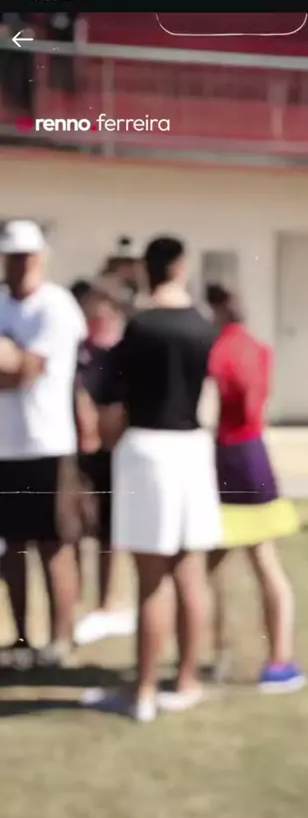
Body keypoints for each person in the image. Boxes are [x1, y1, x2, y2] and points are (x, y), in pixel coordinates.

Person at [81, 237, 221, 722]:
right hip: (192, 447)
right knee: (190, 572)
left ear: (148, 268)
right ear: (181, 267)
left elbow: (109, 399)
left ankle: (142, 692)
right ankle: (186, 681)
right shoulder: (203, 326)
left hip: (146, 447)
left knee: (151, 579)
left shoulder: (138, 326)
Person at [206, 284, 306, 692]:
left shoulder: (218, 351)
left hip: (228, 456)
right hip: (254, 453)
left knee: (207, 567)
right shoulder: (258, 349)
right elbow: (255, 402)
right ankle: (280, 659)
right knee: (264, 562)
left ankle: (217, 650)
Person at [0, 220, 86, 668]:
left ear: (41, 258)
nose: (20, 266)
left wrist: (14, 359)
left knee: (55, 545)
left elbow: (24, 372)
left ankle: (61, 638)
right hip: (5, 447)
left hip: (48, 444)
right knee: (12, 548)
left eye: (27, 257)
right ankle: (19, 639)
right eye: (13, 257)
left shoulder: (56, 306)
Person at [72, 283, 136, 643]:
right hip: (80, 452)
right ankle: (77, 600)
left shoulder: (120, 356)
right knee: (78, 528)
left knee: (109, 533)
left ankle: (107, 599)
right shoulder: (80, 353)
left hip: (113, 451)